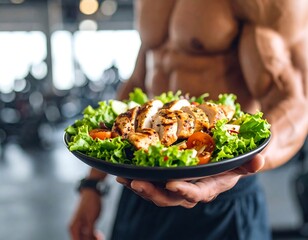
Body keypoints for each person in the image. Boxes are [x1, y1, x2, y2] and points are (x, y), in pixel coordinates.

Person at [69, 0, 308, 239]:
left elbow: (295, 101)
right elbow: (137, 83)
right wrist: (92, 185)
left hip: (220, 197)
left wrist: (239, 166)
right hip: (141, 185)